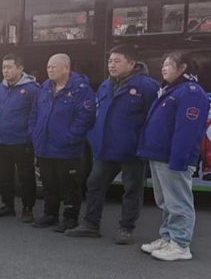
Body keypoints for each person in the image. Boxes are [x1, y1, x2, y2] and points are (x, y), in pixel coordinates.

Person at [65, 45, 159, 244]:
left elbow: (155, 119)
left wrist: (145, 145)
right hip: (106, 148)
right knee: (94, 184)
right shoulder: (106, 85)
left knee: (132, 190)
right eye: (110, 61)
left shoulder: (147, 86)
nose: (112, 65)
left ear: (132, 64)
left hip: (132, 150)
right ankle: (91, 224)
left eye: (117, 61)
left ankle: (126, 229)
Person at [137, 51, 209, 261]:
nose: (164, 67)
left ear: (183, 68)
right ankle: (168, 237)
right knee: (166, 202)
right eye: (164, 63)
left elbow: (186, 131)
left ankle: (180, 244)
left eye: (169, 64)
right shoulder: (172, 90)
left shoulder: (191, 92)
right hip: (160, 156)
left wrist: (178, 159)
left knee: (178, 202)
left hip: (172, 158)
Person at [28, 53, 96, 232]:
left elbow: (86, 118)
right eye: (48, 67)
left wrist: (70, 137)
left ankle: (70, 218)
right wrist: (34, 133)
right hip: (44, 146)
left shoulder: (81, 89)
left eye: (54, 67)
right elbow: (34, 113)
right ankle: (50, 214)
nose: (50, 70)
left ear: (66, 68)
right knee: (48, 183)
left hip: (67, 149)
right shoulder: (44, 87)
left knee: (69, 185)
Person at [0, 54, 39, 223]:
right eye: (3, 67)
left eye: (9, 67)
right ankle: (7, 206)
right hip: (1, 140)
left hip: (22, 141)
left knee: (26, 177)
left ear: (20, 69)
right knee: (4, 176)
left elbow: (38, 113)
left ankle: (27, 208)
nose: (5, 71)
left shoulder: (32, 89)